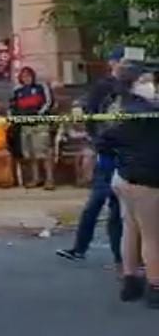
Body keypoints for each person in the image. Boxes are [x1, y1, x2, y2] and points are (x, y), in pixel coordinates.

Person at [57, 48, 130, 263]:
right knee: (98, 199)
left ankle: (120, 255)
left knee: (118, 205)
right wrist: (94, 140)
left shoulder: (133, 87)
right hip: (107, 149)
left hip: (127, 151)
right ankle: (80, 247)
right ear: (113, 63)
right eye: (123, 62)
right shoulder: (104, 86)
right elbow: (90, 112)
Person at [100, 63, 159, 306]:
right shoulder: (146, 112)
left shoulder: (117, 108)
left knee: (131, 229)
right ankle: (156, 287)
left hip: (123, 176)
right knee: (152, 235)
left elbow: (104, 141)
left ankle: (130, 280)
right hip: (146, 179)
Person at [10, 67, 56, 190]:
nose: (26, 78)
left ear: (33, 76)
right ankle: (36, 178)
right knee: (30, 154)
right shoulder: (17, 91)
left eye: (29, 76)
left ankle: (50, 179)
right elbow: (13, 106)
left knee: (44, 152)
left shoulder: (41, 88)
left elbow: (49, 102)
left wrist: (38, 114)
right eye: (24, 76)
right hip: (25, 125)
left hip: (40, 124)